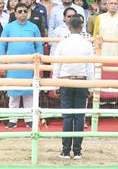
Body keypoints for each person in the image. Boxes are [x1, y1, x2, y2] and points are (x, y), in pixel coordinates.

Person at [52, 15, 94, 160]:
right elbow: (90, 67)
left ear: (69, 27)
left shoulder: (62, 43)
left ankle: (65, 150)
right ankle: (77, 151)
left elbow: (56, 64)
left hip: (65, 80)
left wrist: (55, 83)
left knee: (67, 117)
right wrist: (91, 86)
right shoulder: (87, 44)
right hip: (82, 80)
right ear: (81, 27)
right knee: (79, 116)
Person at [0, 3, 43, 128]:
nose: (22, 14)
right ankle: (13, 120)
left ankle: (29, 119)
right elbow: (2, 45)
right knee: (13, 94)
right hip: (13, 65)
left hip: (29, 65)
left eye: (25, 11)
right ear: (15, 13)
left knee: (29, 93)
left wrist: (39, 63)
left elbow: (39, 45)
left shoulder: (34, 27)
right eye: (20, 11)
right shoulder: (8, 27)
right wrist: (2, 63)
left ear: (28, 13)